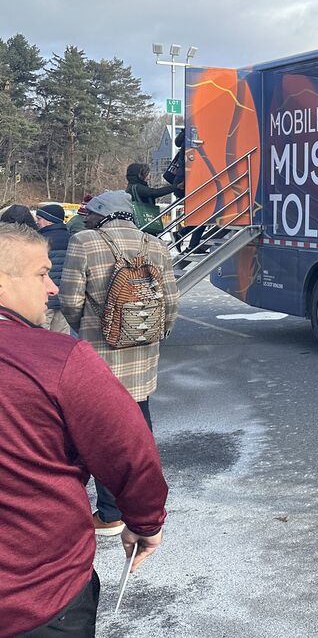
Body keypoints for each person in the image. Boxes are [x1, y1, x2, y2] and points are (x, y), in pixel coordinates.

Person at [0, 223, 167, 637]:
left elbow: (73, 300)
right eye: (41, 273)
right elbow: (130, 452)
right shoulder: (54, 360)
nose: (51, 287)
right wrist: (145, 521)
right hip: (39, 596)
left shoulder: (86, 244)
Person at [57, 191, 178, 538]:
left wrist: (88, 329)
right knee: (140, 430)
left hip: (101, 354)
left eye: (91, 214)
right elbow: (171, 301)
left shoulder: (85, 242)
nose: (86, 219)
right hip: (143, 354)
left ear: (103, 216)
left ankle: (112, 514)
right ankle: (145, 504)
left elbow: (70, 300)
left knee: (102, 434)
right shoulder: (155, 245)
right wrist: (151, 332)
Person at [33, 203, 72, 334]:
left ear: (49, 220)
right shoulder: (72, 239)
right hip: (65, 299)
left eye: (39, 219)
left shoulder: (40, 241)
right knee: (61, 338)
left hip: (45, 299)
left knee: (41, 337)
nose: (37, 222)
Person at [126, 162, 175, 234]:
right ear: (139, 175)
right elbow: (154, 192)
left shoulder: (131, 186)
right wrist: (175, 187)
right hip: (144, 221)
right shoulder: (138, 187)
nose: (148, 177)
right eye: (145, 174)